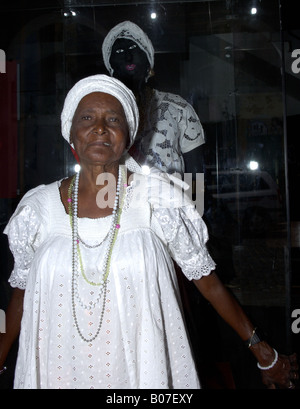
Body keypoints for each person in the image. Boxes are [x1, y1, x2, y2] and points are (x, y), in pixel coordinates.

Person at [0, 74, 298, 389]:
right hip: (58, 370)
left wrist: (262, 350)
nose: (100, 127)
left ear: (127, 136)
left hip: (139, 371)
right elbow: (22, 298)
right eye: (87, 117)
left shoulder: (157, 199)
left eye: (112, 119)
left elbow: (207, 283)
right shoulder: (38, 209)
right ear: (70, 132)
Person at [102, 20, 204, 178]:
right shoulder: (103, 113)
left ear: (147, 58)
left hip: (172, 200)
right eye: (119, 52)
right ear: (111, 66)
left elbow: (196, 171)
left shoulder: (177, 108)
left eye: (133, 49)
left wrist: (196, 202)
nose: (128, 56)